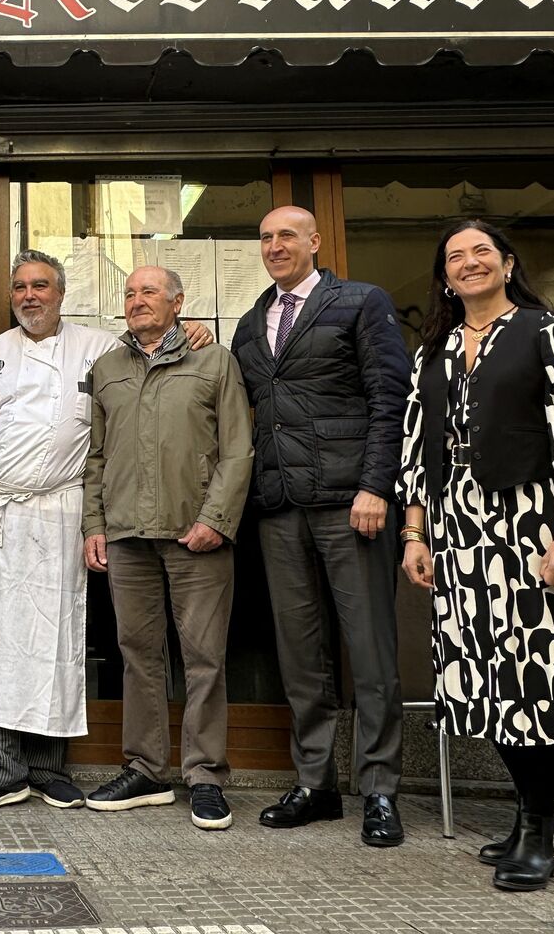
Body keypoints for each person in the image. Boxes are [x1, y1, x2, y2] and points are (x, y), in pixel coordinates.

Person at [399, 219, 554, 892]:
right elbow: (417, 446)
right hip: (459, 527)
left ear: (507, 264)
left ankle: (537, 824)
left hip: (531, 520)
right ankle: (539, 815)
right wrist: (416, 533)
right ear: (444, 277)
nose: (469, 264)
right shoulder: (433, 349)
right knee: (491, 675)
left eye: (481, 253)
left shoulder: (547, 333)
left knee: (538, 675)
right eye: (455, 258)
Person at [0, 249, 212, 815]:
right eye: (19, 287)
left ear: (61, 293)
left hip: (63, 508)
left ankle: (46, 769)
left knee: (56, 639)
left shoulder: (99, 348)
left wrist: (193, 335)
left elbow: (151, 354)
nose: (29, 295)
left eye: (41, 285)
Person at [230, 206, 410, 847]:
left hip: (349, 503)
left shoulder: (361, 302)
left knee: (369, 651)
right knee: (299, 655)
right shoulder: (252, 322)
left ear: (315, 241)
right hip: (280, 505)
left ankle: (381, 789)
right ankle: (316, 784)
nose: (275, 246)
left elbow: (392, 399)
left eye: (286, 235)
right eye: (265, 237)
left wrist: (375, 486)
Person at [82, 265, 252, 831]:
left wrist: (217, 519)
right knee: (138, 655)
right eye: (129, 294)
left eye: (149, 292)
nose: (137, 301)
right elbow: (97, 458)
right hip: (127, 536)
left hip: (195, 533)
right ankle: (147, 770)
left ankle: (205, 776)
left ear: (178, 302)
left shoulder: (214, 360)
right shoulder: (107, 367)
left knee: (204, 658)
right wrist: (94, 524)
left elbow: (237, 450)